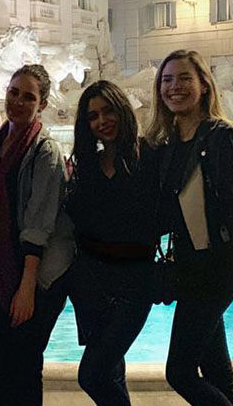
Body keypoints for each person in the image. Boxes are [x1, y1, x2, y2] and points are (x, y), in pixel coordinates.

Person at [147, 50, 233, 406]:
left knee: (179, 372)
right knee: (216, 371)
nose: (175, 87)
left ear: (204, 84)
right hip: (189, 270)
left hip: (216, 271)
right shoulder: (170, 144)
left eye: (185, 78)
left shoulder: (219, 136)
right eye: (167, 80)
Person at [0, 64, 71, 406]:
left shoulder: (45, 151)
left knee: (24, 365)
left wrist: (27, 288)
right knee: (0, 365)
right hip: (2, 269)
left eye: (28, 96)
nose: (18, 101)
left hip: (36, 275)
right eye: (14, 92)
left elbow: (39, 224)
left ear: (42, 105)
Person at [66, 81, 159, 405]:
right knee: (110, 374)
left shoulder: (149, 156)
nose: (101, 121)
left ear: (122, 110)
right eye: (93, 116)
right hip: (92, 283)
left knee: (91, 374)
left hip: (134, 282)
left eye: (107, 111)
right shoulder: (87, 165)